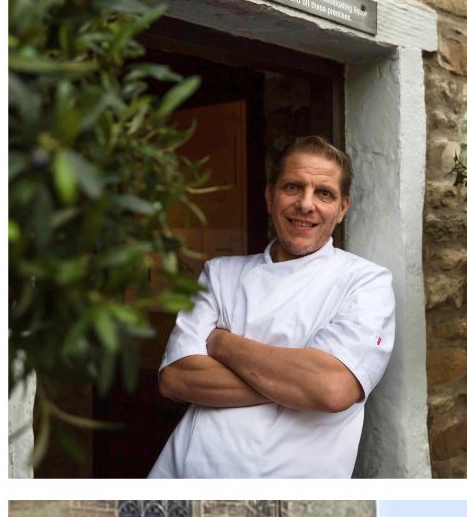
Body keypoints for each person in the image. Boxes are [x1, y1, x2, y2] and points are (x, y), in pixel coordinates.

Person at [153, 137, 396, 478]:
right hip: (185, 475)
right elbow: (177, 378)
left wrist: (222, 343)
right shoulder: (219, 273)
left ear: (342, 208)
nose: (306, 204)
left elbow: (332, 387)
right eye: (293, 187)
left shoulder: (365, 282)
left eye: (324, 193)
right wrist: (296, 384)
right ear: (270, 197)